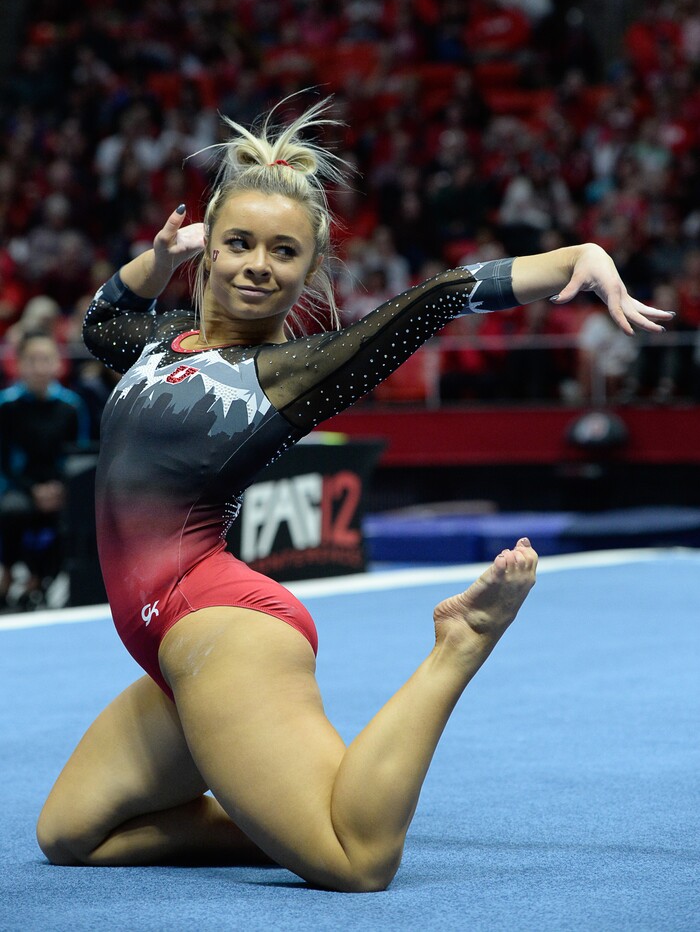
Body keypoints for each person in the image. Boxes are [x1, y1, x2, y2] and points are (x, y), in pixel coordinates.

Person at [36, 101, 672, 891]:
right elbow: (101, 322)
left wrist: (578, 255)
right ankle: (278, 813)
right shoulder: (157, 342)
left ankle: (458, 646)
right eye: (237, 243)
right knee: (70, 834)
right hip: (168, 643)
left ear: (310, 270)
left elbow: (435, 298)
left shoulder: (287, 376)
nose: (257, 265)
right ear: (210, 248)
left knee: (357, 861)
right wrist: (157, 258)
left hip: (219, 629)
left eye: (283, 251)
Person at [0, 331, 90, 610]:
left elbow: (79, 458)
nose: (40, 367)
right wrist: (32, 489)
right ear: (19, 364)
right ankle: (7, 572)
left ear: (58, 364)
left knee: (76, 516)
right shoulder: (6, 405)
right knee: (13, 510)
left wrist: (62, 488)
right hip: (19, 488)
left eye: (46, 359)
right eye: (32, 360)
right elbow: (3, 462)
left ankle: (42, 580)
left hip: (60, 488)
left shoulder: (71, 406)